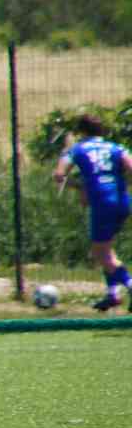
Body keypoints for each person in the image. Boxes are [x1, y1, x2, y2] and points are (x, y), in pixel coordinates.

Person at [52, 113, 132, 312]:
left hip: (102, 202)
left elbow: (59, 175)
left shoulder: (76, 149)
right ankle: (112, 294)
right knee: (106, 249)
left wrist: (80, 186)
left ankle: (129, 285)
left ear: (81, 131)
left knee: (99, 252)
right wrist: (119, 182)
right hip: (122, 201)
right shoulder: (116, 147)